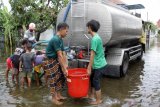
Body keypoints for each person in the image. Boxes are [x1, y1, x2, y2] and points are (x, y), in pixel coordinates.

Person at [42, 22, 69, 105]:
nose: (67, 33)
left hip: (55, 60)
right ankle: (53, 98)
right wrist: (64, 68)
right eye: (66, 31)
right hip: (49, 61)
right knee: (53, 79)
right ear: (61, 29)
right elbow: (60, 55)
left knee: (60, 77)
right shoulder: (55, 39)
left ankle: (58, 95)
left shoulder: (60, 39)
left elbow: (63, 53)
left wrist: (66, 65)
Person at [86, 20, 107, 105]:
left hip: (99, 65)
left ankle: (98, 100)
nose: (87, 28)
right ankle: (91, 95)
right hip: (99, 64)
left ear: (90, 27)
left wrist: (89, 67)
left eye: (88, 27)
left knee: (96, 81)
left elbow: (92, 55)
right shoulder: (97, 36)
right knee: (92, 79)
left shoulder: (94, 39)